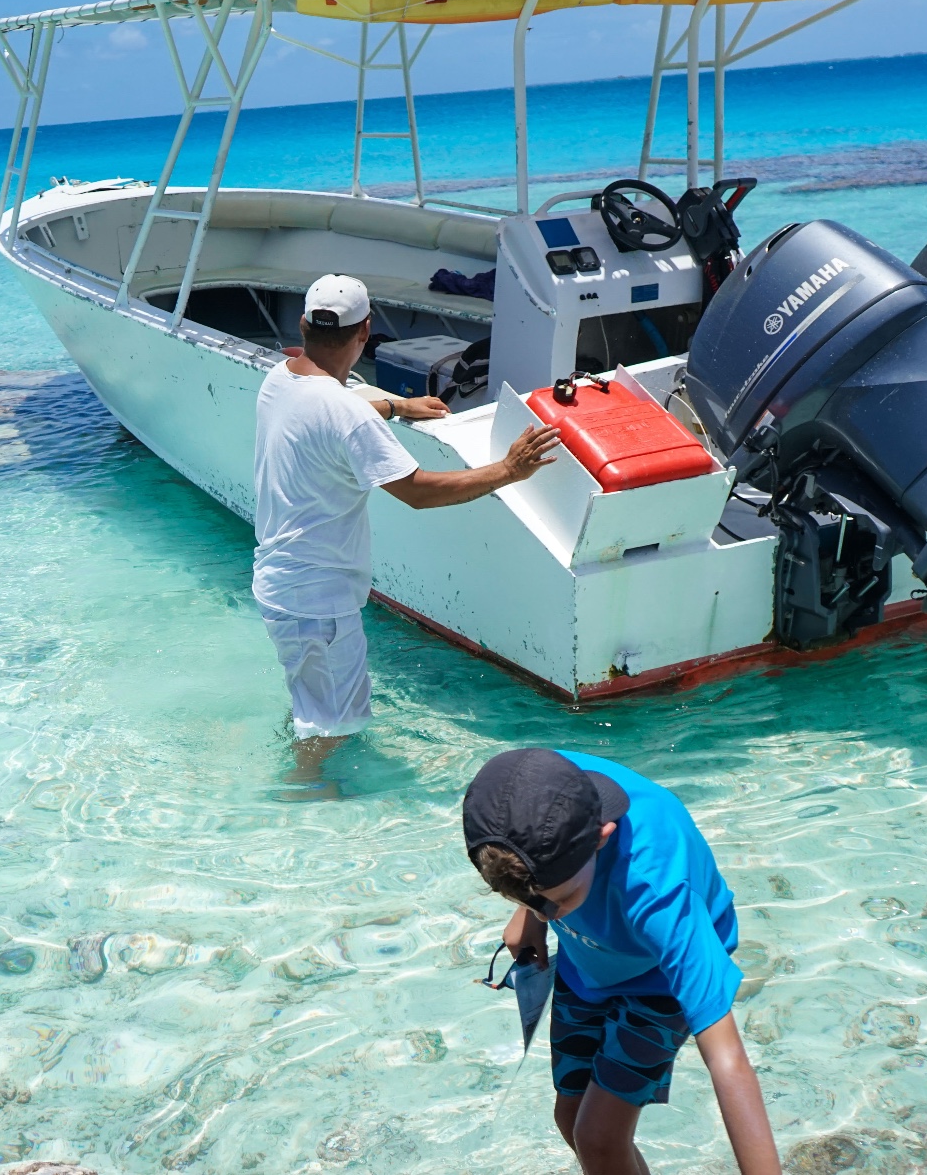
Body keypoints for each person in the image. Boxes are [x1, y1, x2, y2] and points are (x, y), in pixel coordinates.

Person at [253, 273, 561, 788]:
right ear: (366, 333)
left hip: (280, 588)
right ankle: (304, 806)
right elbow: (418, 491)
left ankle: (306, 766)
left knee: (313, 705)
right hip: (319, 604)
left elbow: (330, 414)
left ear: (304, 326)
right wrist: (509, 470)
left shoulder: (279, 380)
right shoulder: (347, 415)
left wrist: (396, 406)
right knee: (333, 729)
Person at [462, 747, 781, 1175]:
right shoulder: (531, 789)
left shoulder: (658, 893)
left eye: (557, 902)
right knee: (570, 1119)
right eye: (529, 900)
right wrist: (530, 916)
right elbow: (530, 858)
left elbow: (727, 1061)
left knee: (598, 1139)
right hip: (587, 964)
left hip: (659, 981)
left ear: (602, 836)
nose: (545, 914)